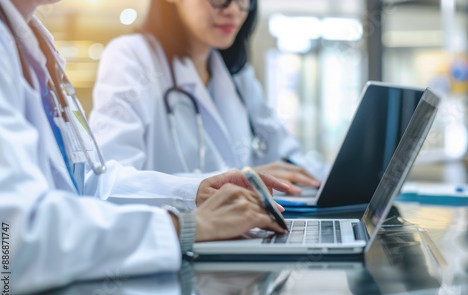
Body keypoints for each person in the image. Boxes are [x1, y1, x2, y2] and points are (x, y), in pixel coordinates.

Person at [0, 0, 290, 295]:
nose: (233, 8)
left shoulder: (30, 43)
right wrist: (182, 227)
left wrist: (195, 191)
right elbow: (12, 240)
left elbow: (85, 184)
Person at [89, 0, 326, 193]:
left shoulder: (236, 73)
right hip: (177, 240)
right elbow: (110, 179)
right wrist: (211, 185)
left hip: (241, 230)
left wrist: (334, 178)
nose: (233, 9)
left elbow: (285, 156)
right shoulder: (132, 56)